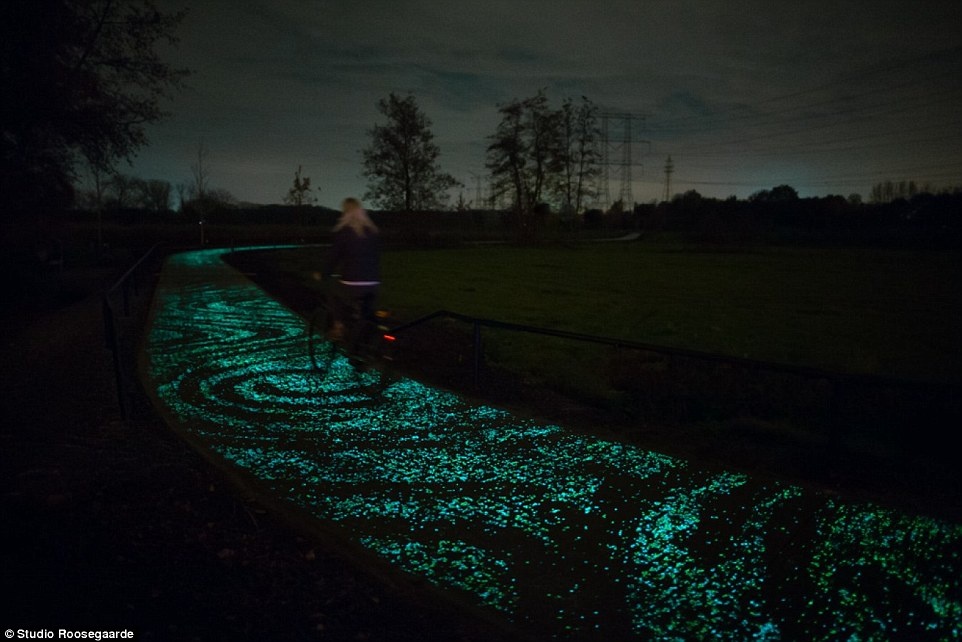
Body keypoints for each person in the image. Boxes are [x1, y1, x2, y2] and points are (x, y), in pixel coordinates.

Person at [324, 197, 380, 341]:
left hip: (353, 282)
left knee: (333, 293)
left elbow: (333, 257)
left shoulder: (344, 232)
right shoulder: (372, 232)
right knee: (365, 312)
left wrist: (325, 273)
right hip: (373, 282)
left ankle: (339, 327)